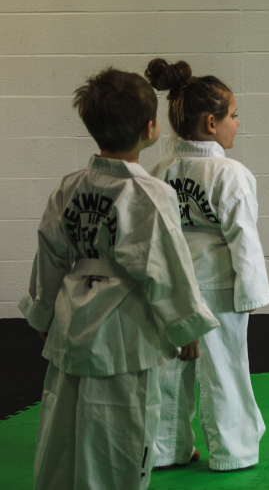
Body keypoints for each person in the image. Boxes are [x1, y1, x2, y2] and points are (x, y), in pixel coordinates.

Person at [20, 68, 219, 490]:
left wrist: (42, 314)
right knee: (119, 444)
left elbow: (50, 253)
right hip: (124, 336)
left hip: (72, 324)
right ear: (150, 128)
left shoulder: (69, 187)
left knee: (62, 437)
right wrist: (186, 328)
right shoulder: (150, 193)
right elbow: (166, 264)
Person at [145, 58, 269, 471]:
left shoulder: (158, 171)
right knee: (224, 367)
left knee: (167, 370)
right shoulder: (230, 173)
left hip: (169, 286)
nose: (239, 122)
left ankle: (165, 450)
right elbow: (243, 238)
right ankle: (232, 452)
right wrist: (251, 293)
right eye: (234, 115)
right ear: (212, 124)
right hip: (218, 285)